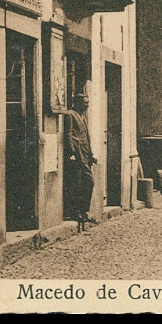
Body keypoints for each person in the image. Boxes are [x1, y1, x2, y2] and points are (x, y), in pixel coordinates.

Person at [64, 90, 97, 229]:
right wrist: (71, 152)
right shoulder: (70, 115)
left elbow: (86, 138)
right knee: (81, 183)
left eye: (88, 103)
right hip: (76, 155)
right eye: (85, 103)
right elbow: (69, 134)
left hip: (84, 155)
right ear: (78, 103)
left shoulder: (82, 116)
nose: (87, 106)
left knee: (85, 183)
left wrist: (91, 154)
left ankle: (83, 211)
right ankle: (76, 211)